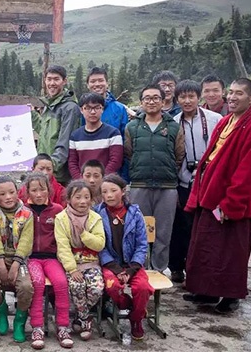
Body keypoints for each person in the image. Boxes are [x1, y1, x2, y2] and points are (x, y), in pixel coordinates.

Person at [183, 78, 251, 314]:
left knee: (230, 252)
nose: (232, 97)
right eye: (230, 92)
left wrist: (230, 205)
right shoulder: (226, 121)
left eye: (239, 93)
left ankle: (231, 296)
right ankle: (206, 291)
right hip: (210, 193)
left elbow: (247, 174)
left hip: (228, 201)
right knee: (206, 246)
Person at [125, 84, 185, 272]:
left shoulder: (173, 127)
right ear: (141, 102)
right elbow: (129, 153)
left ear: (162, 100)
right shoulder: (132, 127)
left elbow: (179, 155)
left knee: (163, 232)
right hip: (139, 185)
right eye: (147, 98)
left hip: (167, 187)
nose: (151, 102)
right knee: (139, 230)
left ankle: (159, 269)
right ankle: (140, 269)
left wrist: (167, 170)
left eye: (155, 98)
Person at [168, 80, 222, 283]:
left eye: (191, 96)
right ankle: (177, 267)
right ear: (177, 99)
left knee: (206, 227)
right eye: (182, 97)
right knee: (181, 226)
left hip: (209, 182)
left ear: (199, 97)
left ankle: (202, 270)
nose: (187, 101)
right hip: (183, 182)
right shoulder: (173, 122)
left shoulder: (215, 119)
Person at [96, 174, 153, 341]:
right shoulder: (97, 214)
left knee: (142, 288)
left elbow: (142, 245)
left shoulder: (135, 213)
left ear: (123, 191)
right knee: (112, 286)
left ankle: (136, 319)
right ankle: (130, 306)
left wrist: (130, 270)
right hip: (110, 265)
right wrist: (116, 269)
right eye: (104, 192)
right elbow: (100, 247)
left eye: (113, 191)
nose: (109, 195)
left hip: (133, 265)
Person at [24, 172, 73, 350]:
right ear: (27, 191)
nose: (38, 194)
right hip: (31, 258)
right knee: (37, 284)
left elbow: (64, 236)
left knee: (61, 283)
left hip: (52, 258)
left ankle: (63, 327)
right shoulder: (23, 210)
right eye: (34, 190)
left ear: (49, 190)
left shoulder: (57, 210)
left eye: (42, 189)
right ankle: (37, 328)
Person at [0, 176, 34, 343]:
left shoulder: (27, 214)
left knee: (26, 287)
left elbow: (26, 241)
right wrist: (1, 264)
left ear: (18, 192)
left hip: (20, 259)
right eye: (2, 194)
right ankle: (1, 309)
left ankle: (19, 320)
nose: (8, 197)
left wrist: (16, 264)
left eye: (12, 192)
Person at [55, 181, 105, 342]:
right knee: (77, 285)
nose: (83, 201)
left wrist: (83, 233)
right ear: (69, 199)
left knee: (96, 289)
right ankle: (86, 322)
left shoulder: (95, 218)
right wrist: (72, 269)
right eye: (78, 197)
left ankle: (80, 317)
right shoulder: (61, 218)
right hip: (72, 264)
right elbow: (63, 247)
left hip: (91, 262)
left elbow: (99, 244)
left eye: (86, 197)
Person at [32, 65, 81, 185]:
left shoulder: (70, 108)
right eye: (49, 79)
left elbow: (65, 141)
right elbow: (44, 132)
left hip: (58, 175)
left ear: (64, 81)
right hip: (45, 171)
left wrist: (50, 166)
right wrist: (32, 115)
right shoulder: (49, 105)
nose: (52, 83)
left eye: (56, 79)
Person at [68, 93, 123, 180]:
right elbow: (72, 163)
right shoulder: (75, 136)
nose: (93, 112)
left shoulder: (113, 133)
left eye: (97, 108)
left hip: (106, 182)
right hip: (83, 184)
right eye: (88, 108)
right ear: (81, 110)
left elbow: (116, 161)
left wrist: (100, 179)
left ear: (102, 109)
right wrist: (82, 181)